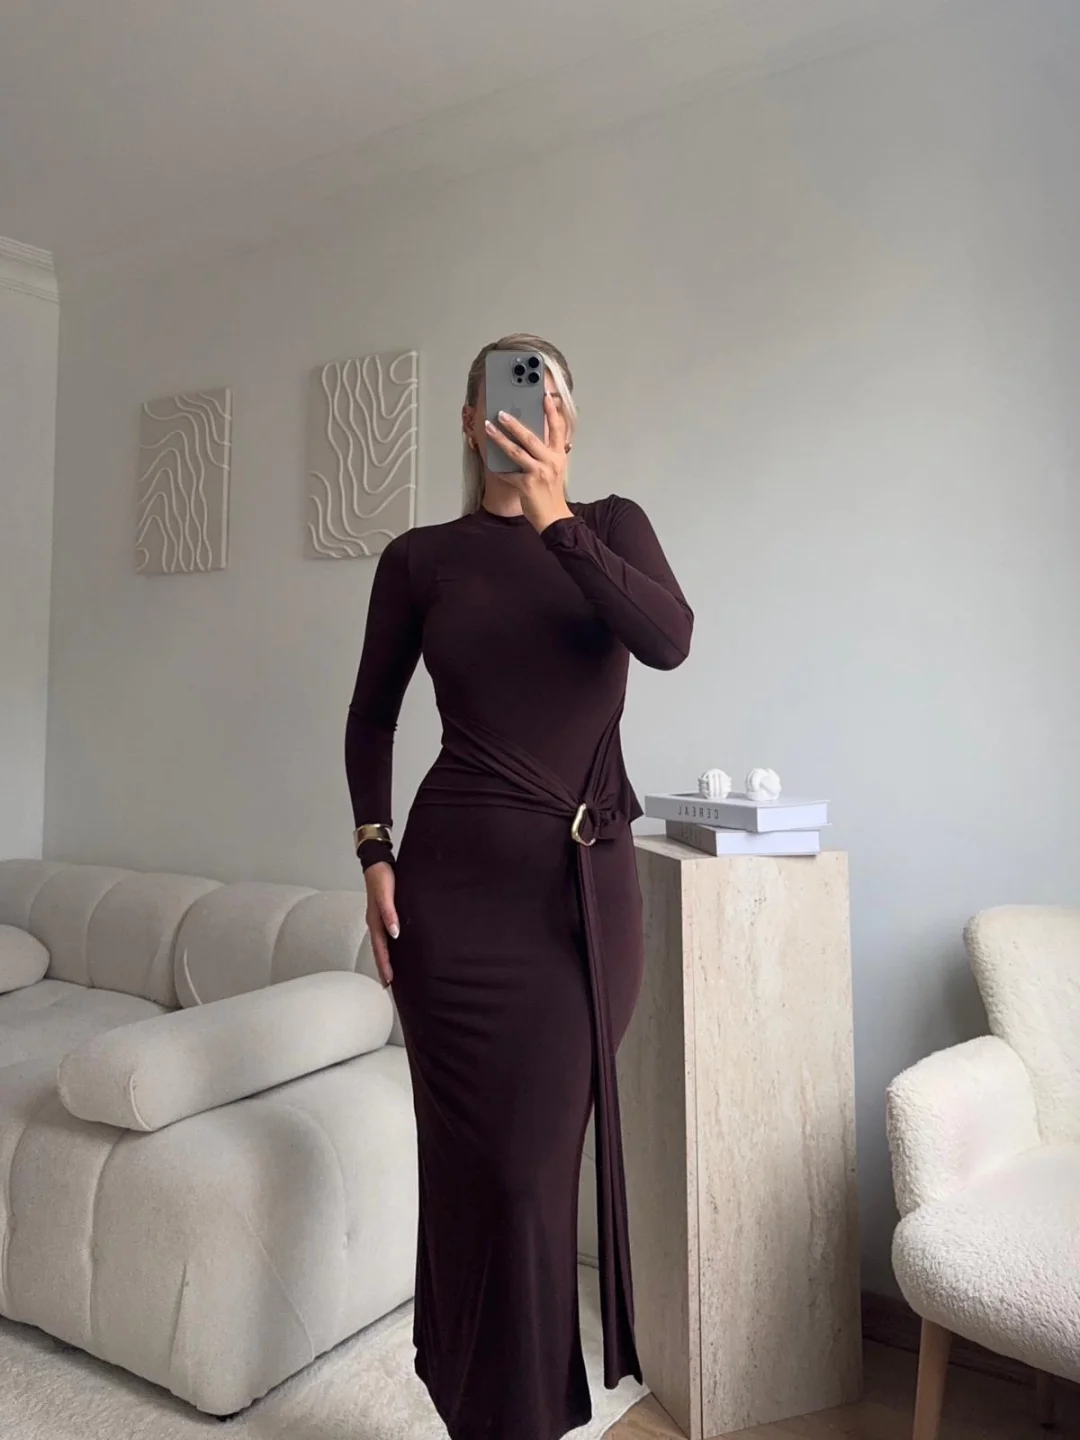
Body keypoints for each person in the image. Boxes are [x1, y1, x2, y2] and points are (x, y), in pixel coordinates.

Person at [345, 333, 693, 1440]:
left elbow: (669, 639)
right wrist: (373, 852)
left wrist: (556, 520)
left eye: (549, 398)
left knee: (527, 1178)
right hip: (448, 904)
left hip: (578, 905)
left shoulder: (612, 527)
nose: (529, 414)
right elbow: (371, 716)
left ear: (569, 422)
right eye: (507, 396)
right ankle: (483, 1410)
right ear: (468, 421)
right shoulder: (419, 559)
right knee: (471, 1175)